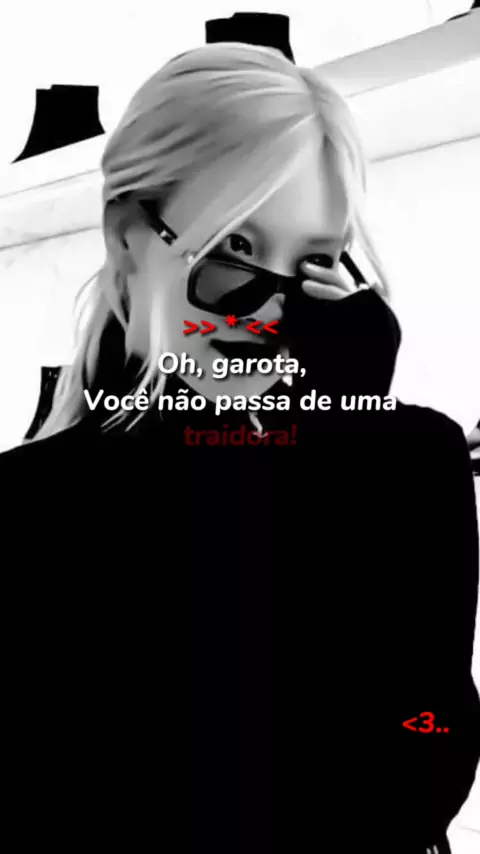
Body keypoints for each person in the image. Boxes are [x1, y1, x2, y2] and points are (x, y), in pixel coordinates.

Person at [1, 43, 479, 854]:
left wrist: (350, 444)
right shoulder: (32, 504)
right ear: (127, 237)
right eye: (234, 251)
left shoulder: (409, 459)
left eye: (315, 263)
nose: (269, 314)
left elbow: (424, 763)